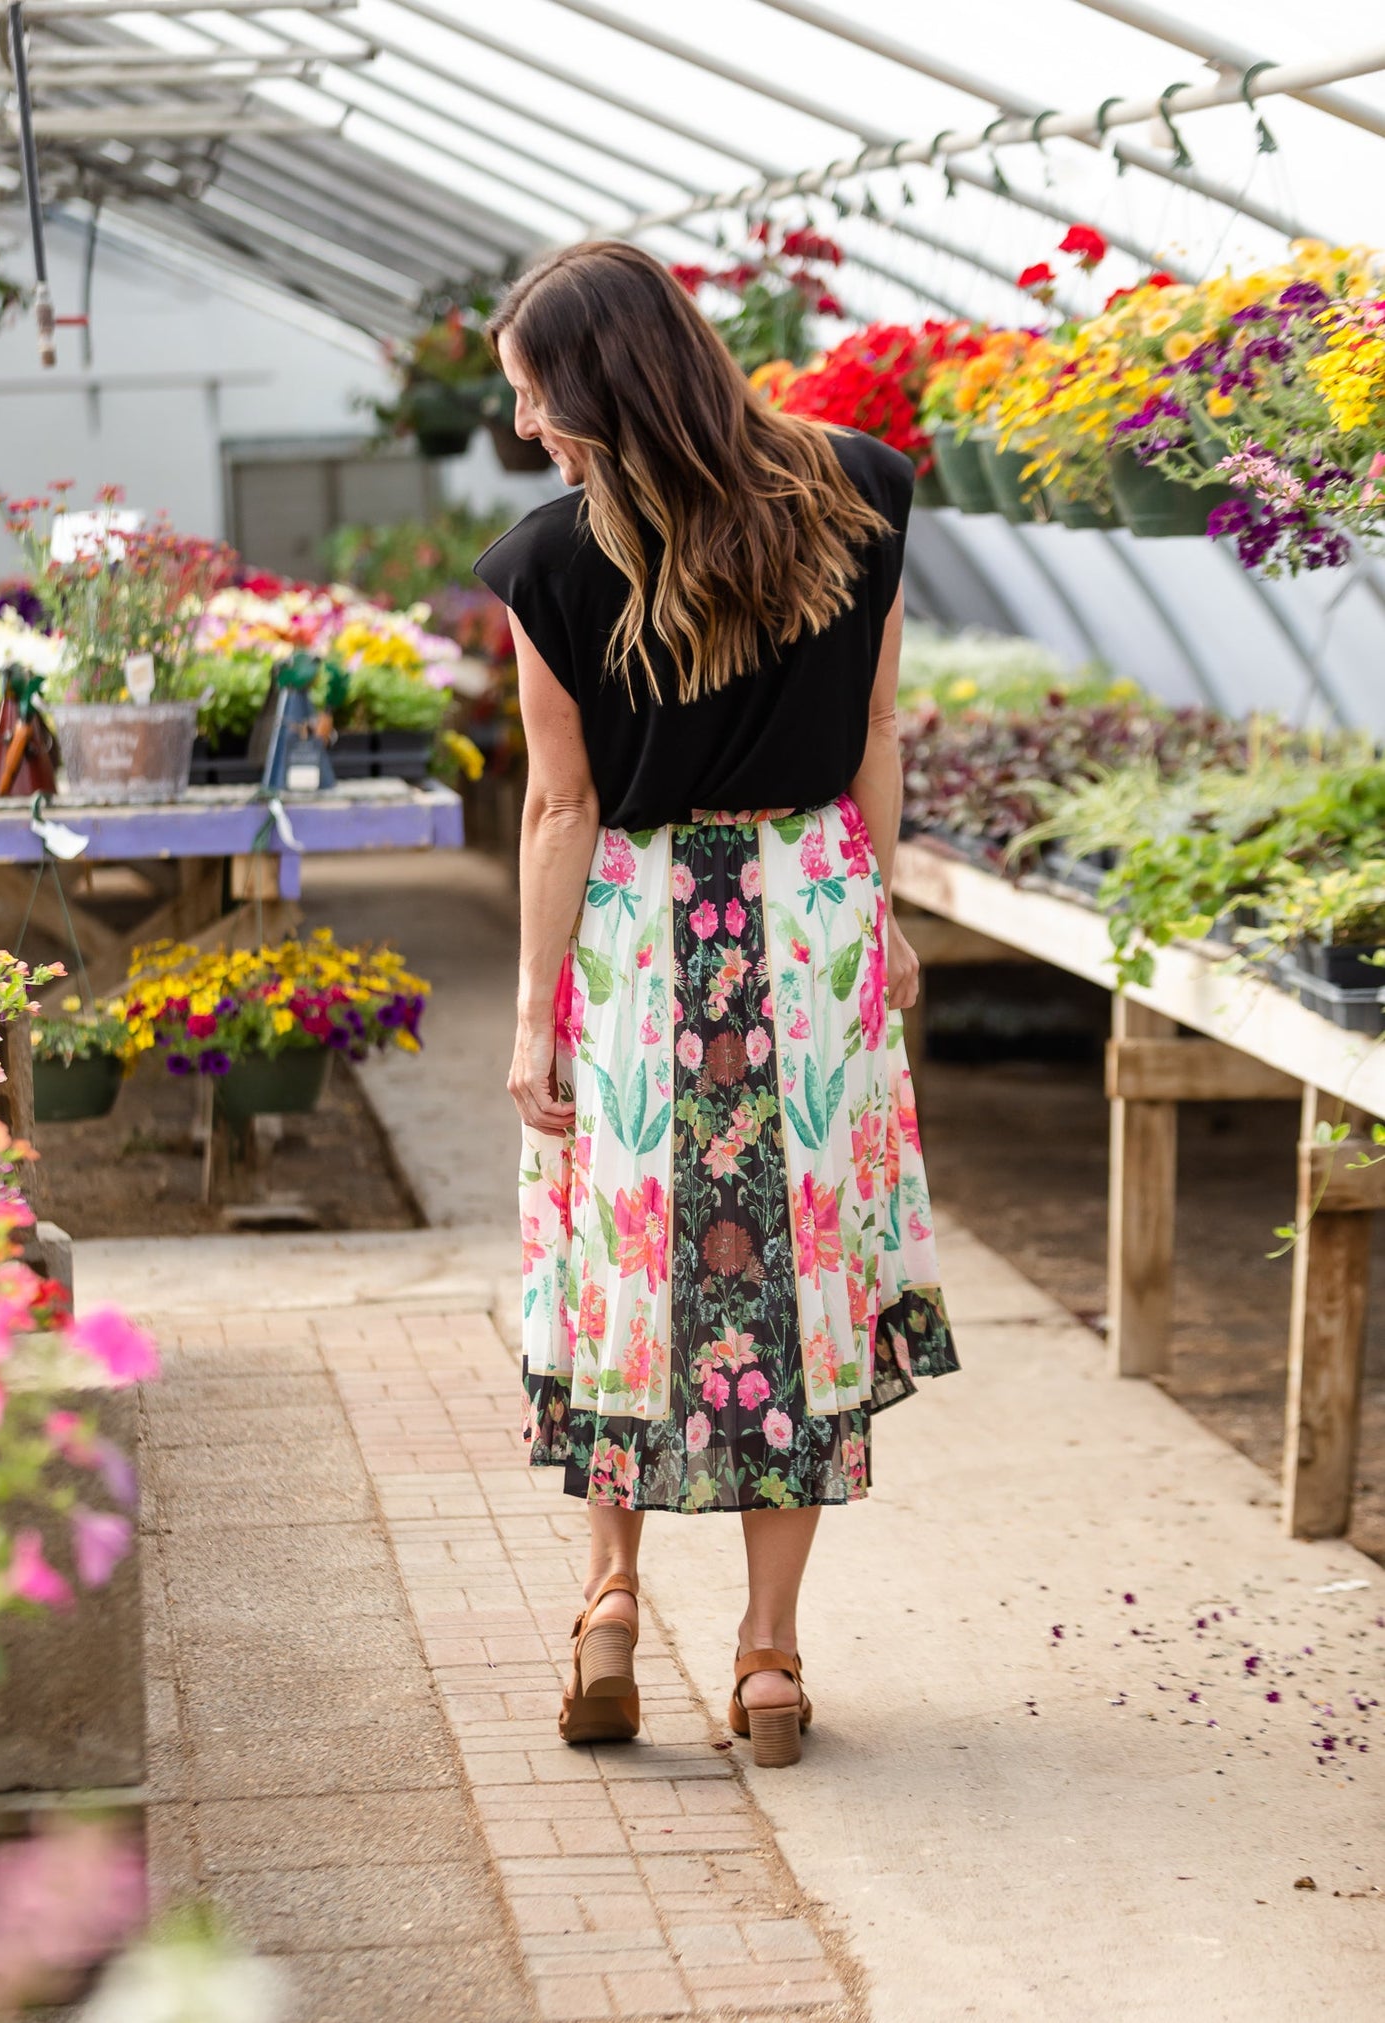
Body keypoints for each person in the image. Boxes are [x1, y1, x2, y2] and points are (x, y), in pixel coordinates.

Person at [475, 241, 958, 1769]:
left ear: (598, 383)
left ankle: (609, 1601)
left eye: (536, 399)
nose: (530, 432)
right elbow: (878, 725)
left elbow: (561, 807)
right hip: (810, 917)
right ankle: (765, 1663)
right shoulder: (862, 489)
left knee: (624, 1262)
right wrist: (870, 922)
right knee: (797, 1278)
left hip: (637, 941)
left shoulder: (549, 559)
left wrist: (532, 1015)